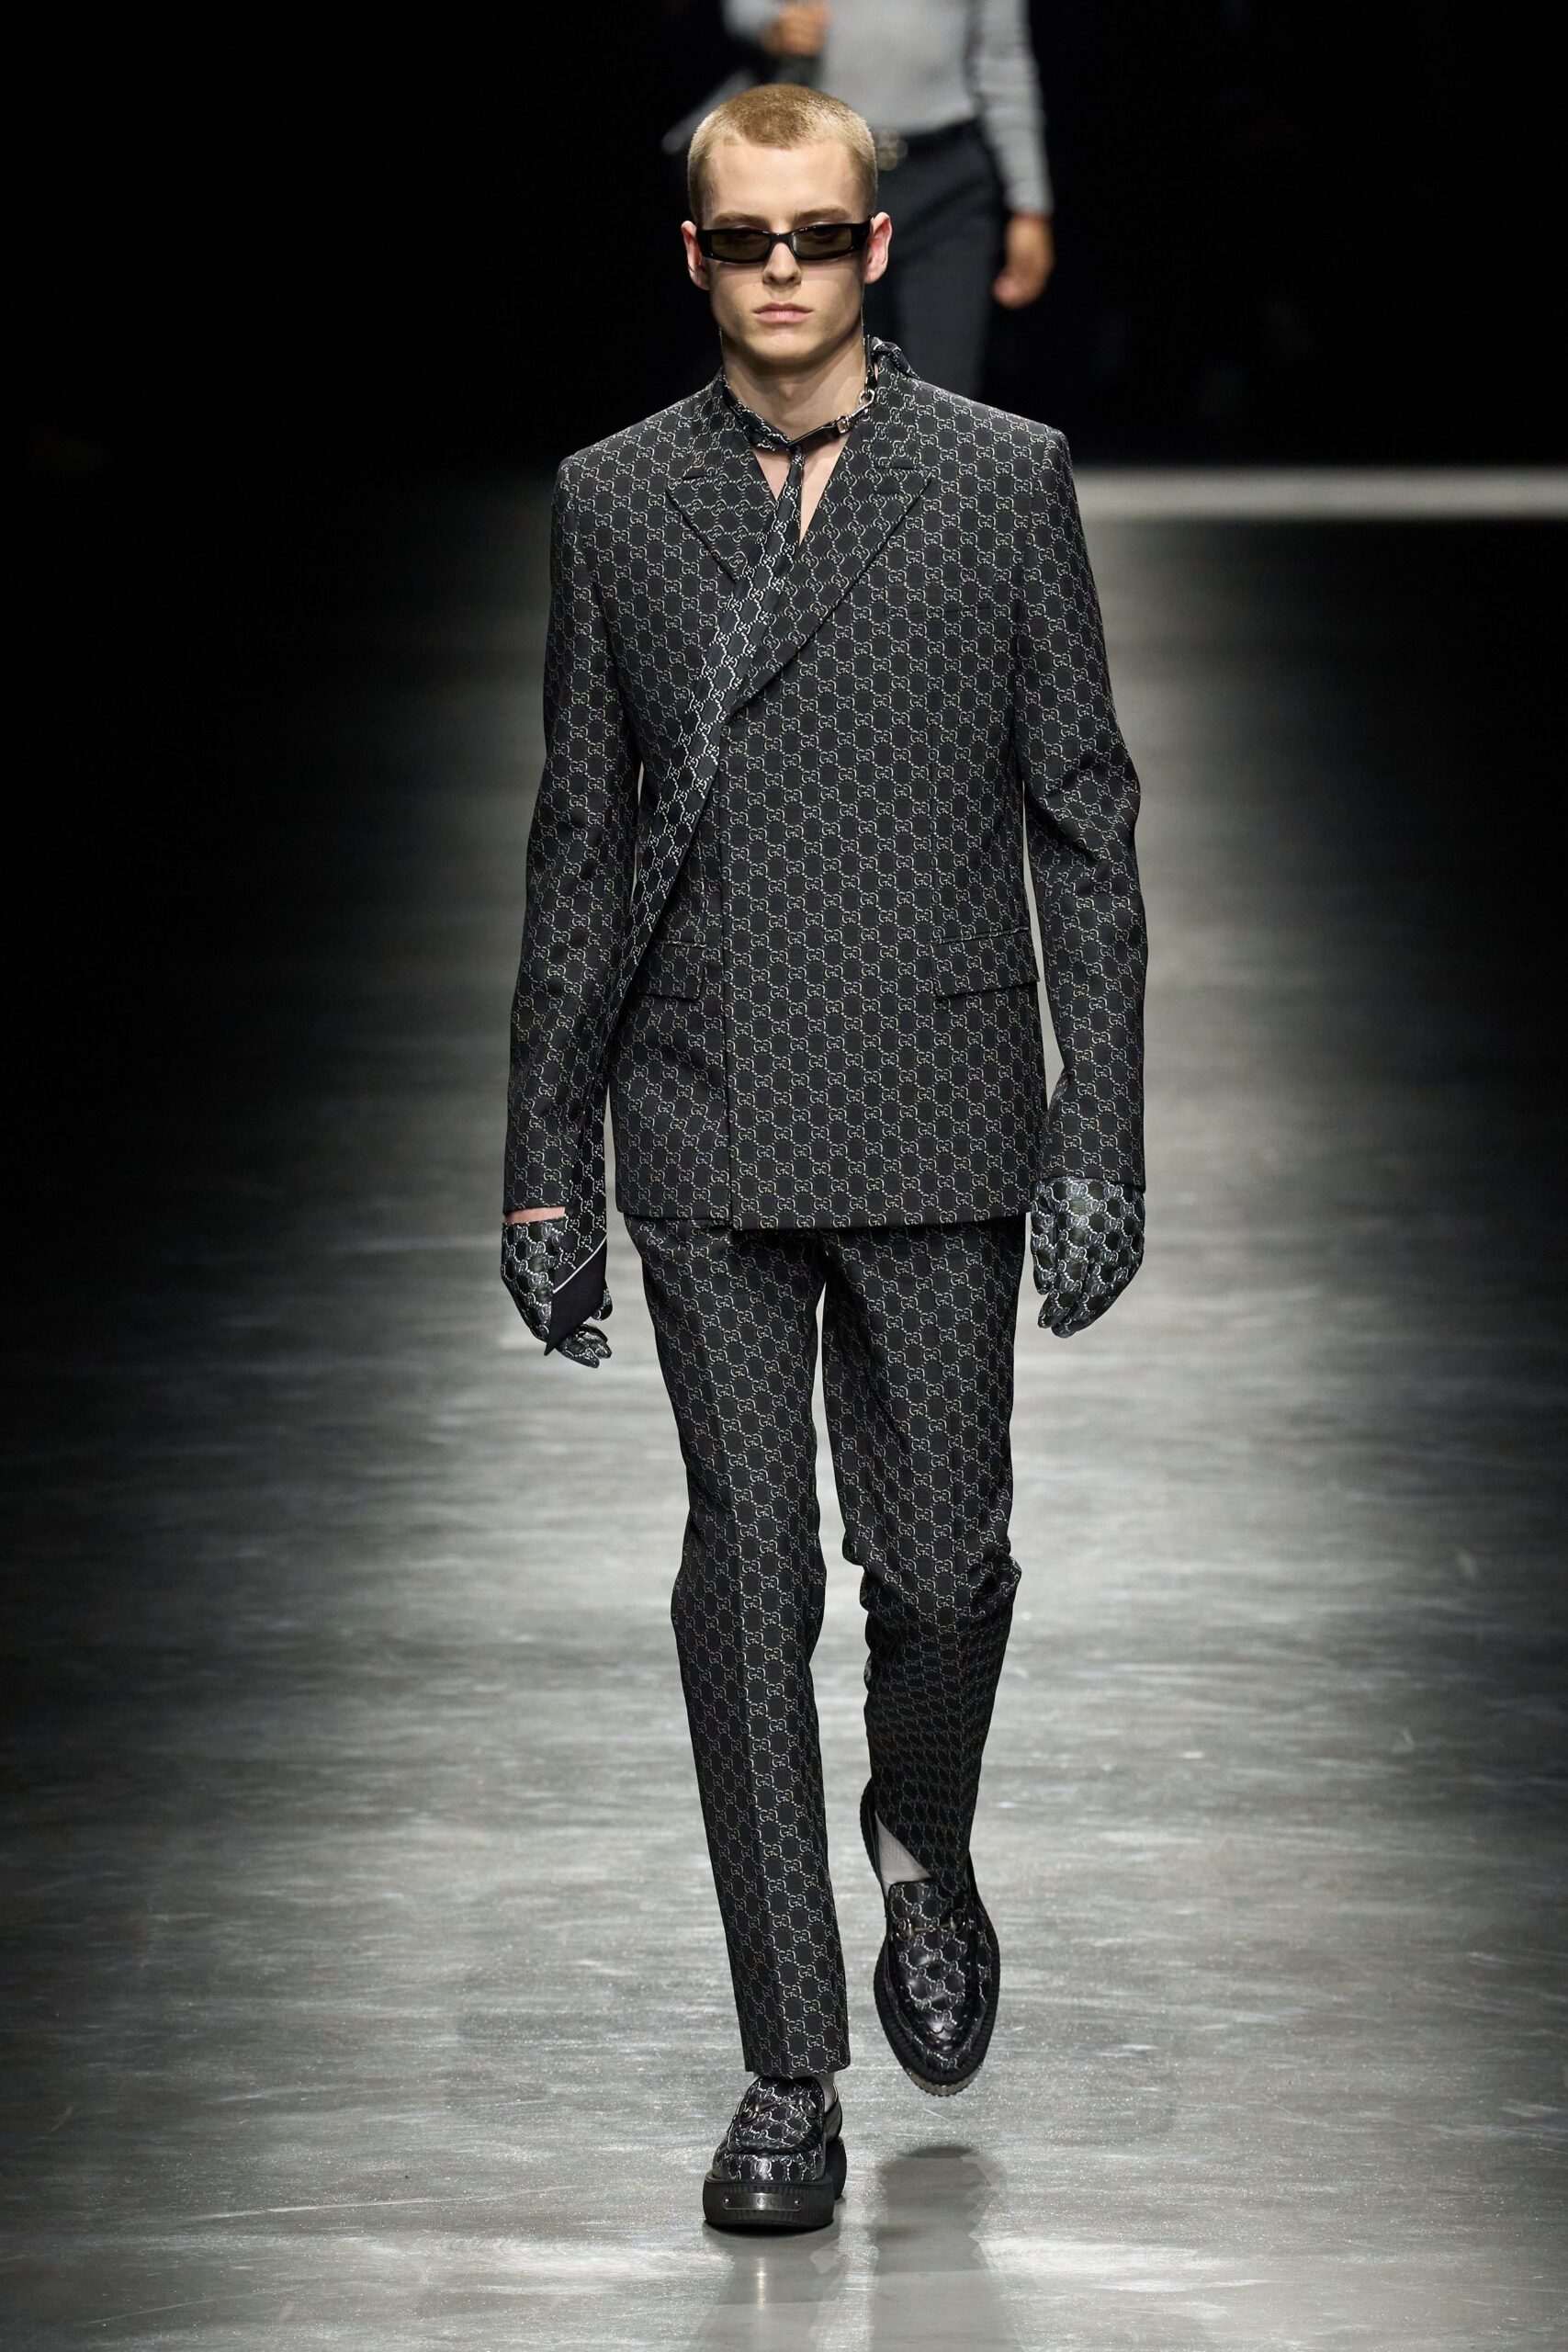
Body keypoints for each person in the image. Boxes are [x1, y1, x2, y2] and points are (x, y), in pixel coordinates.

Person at [501, 79, 1146, 2232]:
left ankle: (919, 1833)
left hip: (942, 1106)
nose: (776, 270)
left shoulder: (995, 480)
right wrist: (540, 1159)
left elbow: (1082, 819)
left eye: (813, 235)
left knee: (941, 1565)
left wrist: (1096, 1131)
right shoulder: (613, 498)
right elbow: (579, 840)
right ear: (689, 257)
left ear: (877, 247)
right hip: (698, 1109)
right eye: (737, 237)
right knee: (747, 1569)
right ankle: (786, 2065)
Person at [722, 0, 1055, 396]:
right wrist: (772, 25)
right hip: (826, 177)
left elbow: (1003, 59)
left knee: (942, 393)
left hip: (947, 183)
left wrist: (1029, 206)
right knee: (822, 389)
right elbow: (746, 9)